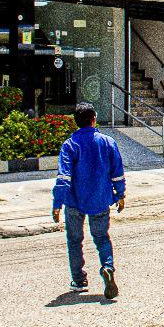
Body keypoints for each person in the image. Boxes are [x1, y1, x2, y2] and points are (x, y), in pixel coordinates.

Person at [52, 102, 125, 299]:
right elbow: (117, 173)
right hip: (100, 199)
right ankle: (107, 267)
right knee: (101, 238)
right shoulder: (108, 142)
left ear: (76, 122)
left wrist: (57, 203)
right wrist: (120, 194)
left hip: (74, 201)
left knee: (75, 240)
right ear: (94, 119)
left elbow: (64, 177)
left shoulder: (70, 145)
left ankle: (79, 281)